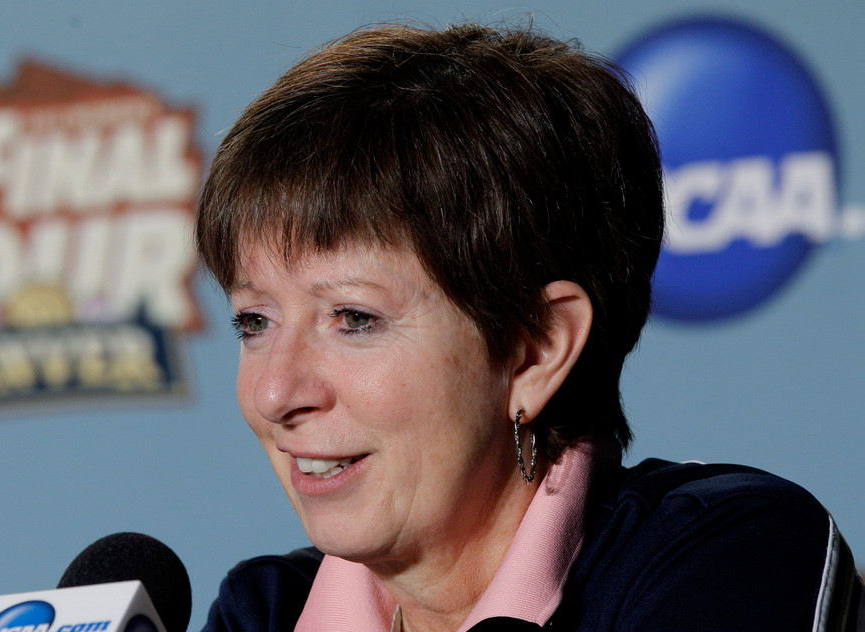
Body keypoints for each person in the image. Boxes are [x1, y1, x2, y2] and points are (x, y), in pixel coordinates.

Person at [195, 22, 863, 632]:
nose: (274, 393)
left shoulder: (727, 556)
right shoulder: (266, 611)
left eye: (354, 318)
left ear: (536, 349)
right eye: (255, 321)